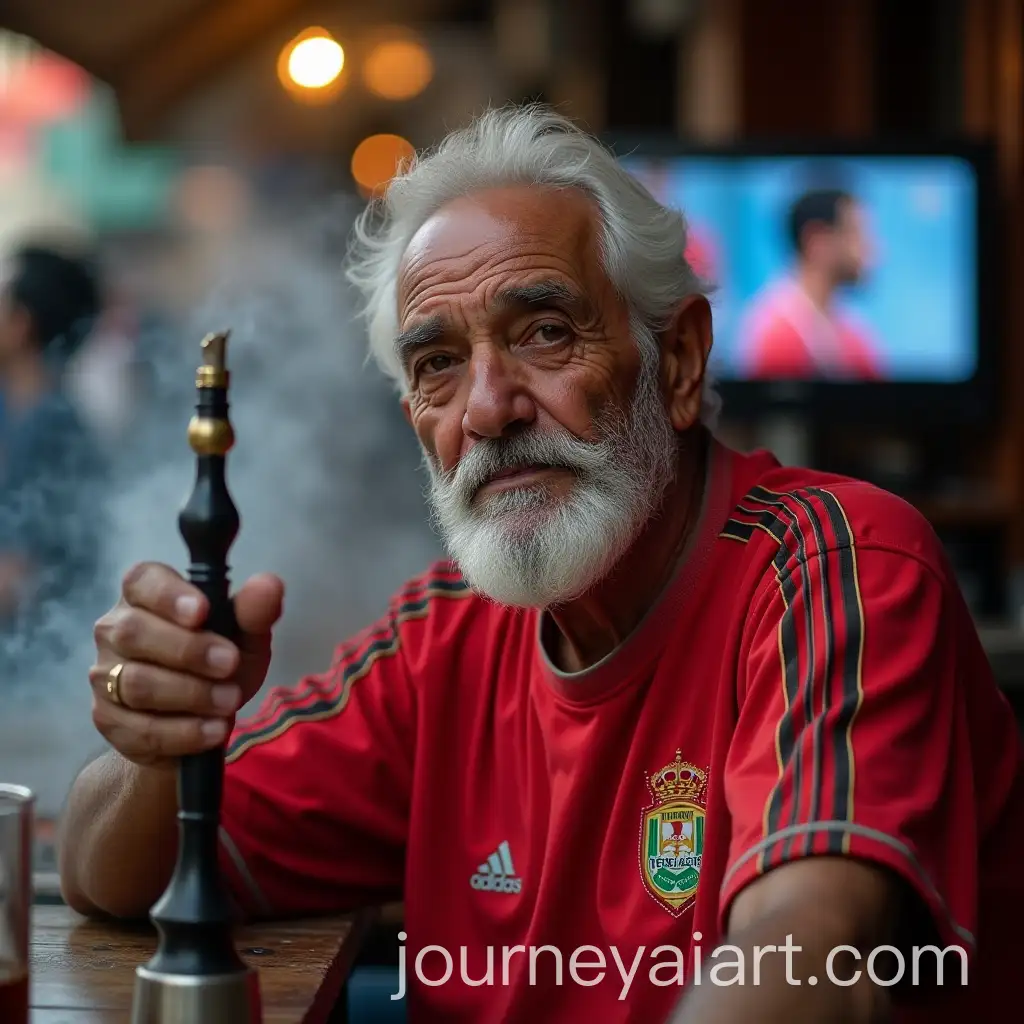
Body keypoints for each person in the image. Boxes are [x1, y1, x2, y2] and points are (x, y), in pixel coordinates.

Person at [57, 107, 1022, 1024]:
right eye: (438, 364)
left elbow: (811, 950)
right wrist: (160, 740)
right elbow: (112, 872)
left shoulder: (837, 569)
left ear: (679, 362)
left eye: (545, 332)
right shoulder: (446, 636)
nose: (487, 408)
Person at [0, 242, 108, 679]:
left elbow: (15, 579)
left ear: (22, 323)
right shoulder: (11, 407)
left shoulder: (55, 429)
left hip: (32, 677)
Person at [739, 186, 884, 379]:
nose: (873, 249)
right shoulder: (778, 337)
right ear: (816, 241)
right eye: (857, 234)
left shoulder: (850, 332)